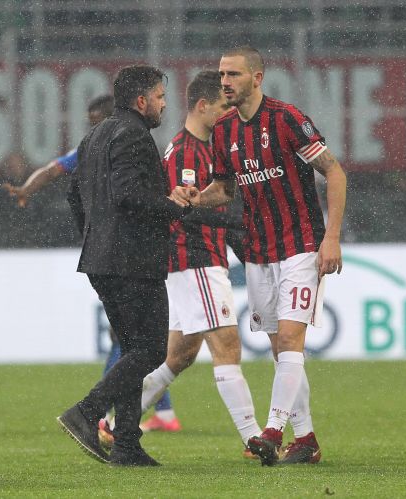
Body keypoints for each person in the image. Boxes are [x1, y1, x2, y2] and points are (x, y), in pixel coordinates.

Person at [171, 46, 347, 466]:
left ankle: (272, 430)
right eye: (221, 74)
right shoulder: (225, 129)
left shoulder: (286, 119)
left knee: (290, 339)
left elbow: (335, 171)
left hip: (302, 244)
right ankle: (305, 440)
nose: (225, 82)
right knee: (278, 346)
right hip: (258, 250)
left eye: (232, 74)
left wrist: (332, 237)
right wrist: (196, 199)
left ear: (257, 77)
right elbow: (226, 189)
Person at [59, 65, 190, 467]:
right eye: (160, 97)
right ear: (141, 101)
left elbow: (72, 193)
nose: (164, 105)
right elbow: (131, 195)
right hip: (133, 259)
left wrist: (93, 234)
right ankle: (87, 411)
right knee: (151, 349)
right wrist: (172, 206)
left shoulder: (95, 134)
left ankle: (127, 444)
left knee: (133, 348)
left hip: (102, 258)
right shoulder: (133, 135)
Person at [138, 70, 262, 456]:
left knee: (178, 356)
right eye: (225, 106)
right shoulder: (187, 152)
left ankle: (110, 422)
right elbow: (184, 211)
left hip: (198, 259)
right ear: (203, 106)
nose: (230, 112)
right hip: (195, 258)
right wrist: (240, 223)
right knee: (227, 347)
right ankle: (254, 438)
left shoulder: (206, 146)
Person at [4, 95, 114, 207]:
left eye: (97, 124)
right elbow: (52, 170)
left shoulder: (128, 144)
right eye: (92, 125)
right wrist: (27, 189)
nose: (94, 130)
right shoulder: (89, 150)